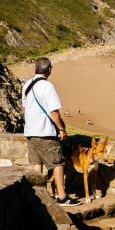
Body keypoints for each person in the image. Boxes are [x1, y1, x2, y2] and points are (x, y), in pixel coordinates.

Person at [22, 57, 80, 206]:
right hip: (45, 132)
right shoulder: (47, 86)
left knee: (36, 164)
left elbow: (25, 106)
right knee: (58, 163)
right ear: (49, 70)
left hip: (30, 132)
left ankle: (38, 195)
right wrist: (61, 129)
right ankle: (62, 197)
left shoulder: (27, 85)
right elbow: (54, 111)